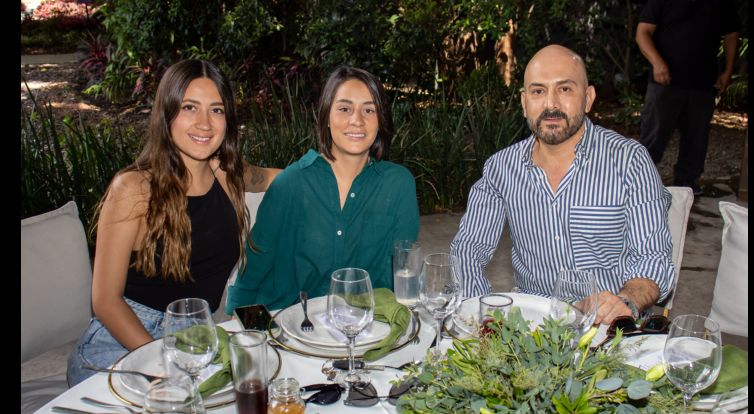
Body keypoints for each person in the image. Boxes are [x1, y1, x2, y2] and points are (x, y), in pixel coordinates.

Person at [66, 59, 281, 386]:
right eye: (189, 107)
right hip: (125, 343)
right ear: (166, 114)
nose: (205, 124)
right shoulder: (134, 189)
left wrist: (337, 164)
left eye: (217, 110)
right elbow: (106, 300)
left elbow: (279, 178)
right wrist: (162, 363)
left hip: (198, 339)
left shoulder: (226, 174)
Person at [450, 44, 675, 325]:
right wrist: (482, 314)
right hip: (534, 327)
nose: (551, 104)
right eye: (538, 91)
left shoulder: (629, 161)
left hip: (607, 325)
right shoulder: (501, 168)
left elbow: (653, 258)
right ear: (524, 103)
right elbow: (469, 249)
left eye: (565, 89)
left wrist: (624, 301)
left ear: (588, 98)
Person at [225, 65, 420, 312]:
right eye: (344, 108)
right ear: (326, 116)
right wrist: (242, 340)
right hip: (291, 327)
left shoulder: (398, 185)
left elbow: (403, 275)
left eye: (369, 110)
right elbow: (250, 277)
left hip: (366, 329)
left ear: (380, 120)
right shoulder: (291, 184)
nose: (357, 120)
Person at [636, 0, 740, 196]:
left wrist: (728, 70)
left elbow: (731, 34)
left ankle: (687, 184)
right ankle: (637, 182)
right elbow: (643, 32)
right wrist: (657, 63)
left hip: (703, 83)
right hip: (664, 82)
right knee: (653, 135)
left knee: (697, 138)